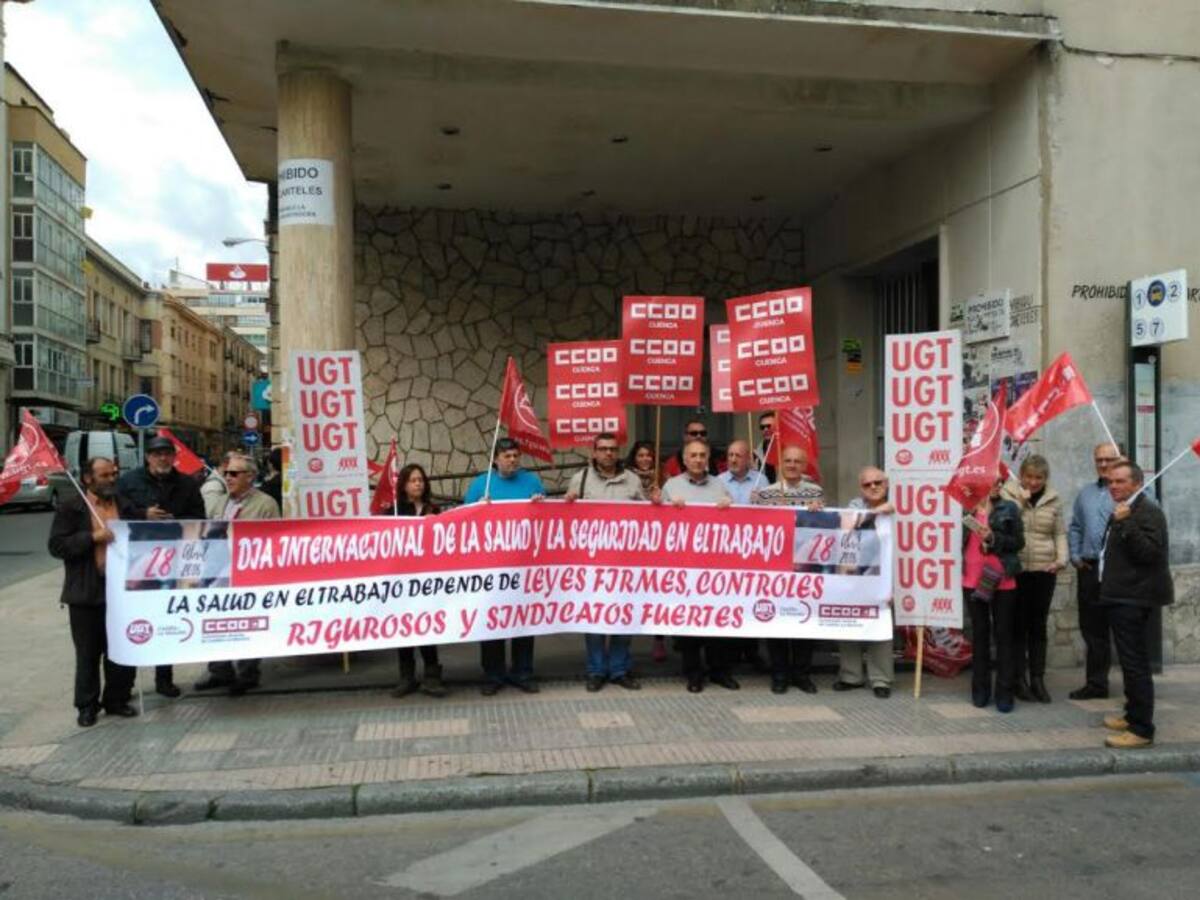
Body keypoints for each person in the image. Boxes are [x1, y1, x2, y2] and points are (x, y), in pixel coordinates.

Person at [47, 457, 137, 727]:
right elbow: (57, 546)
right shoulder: (72, 507)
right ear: (88, 478)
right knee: (88, 653)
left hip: (121, 591)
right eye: (105, 475)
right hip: (86, 592)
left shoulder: (125, 504)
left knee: (120, 649)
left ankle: (117, 699)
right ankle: (87, 705)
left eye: (114, 474)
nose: (111, 479)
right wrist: (92, 537)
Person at [117, 434, 206, 698]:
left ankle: (164, 679)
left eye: (167, 454)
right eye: (157, 454)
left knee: (167, 620)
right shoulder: (129, 481)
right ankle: (124, 685)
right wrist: (143, 515)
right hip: (137, 559)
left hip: (173, 560)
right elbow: (117, 512)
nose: (163, 458)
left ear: (174, 457)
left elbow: (199, 516)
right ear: (148, 457)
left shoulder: (187, 484)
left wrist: (175, 520)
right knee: (133, 621)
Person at [565, 433, 648, 691]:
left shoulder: (632, 480)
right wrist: (567, 504)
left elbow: (647, 518)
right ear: (594, 452)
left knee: (624, 616)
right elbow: (567, 520)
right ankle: (596, 670)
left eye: (612, 449)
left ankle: (620, 669)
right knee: (594, 617)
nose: (608, 453)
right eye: (603, 449)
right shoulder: (580, 479)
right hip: (592, 564)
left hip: (625, 563)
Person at [193, 454, 280, 696]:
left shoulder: (266, 504)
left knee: (247, 624)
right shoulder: (219, 502)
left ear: (250, 476)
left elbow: (274, 538)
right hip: (218, 572)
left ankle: (247, 673)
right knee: (216, 623)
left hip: (249, 574)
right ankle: (219, 670)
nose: (228, 478)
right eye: (227, 473)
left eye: (234, 474)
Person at [1099, 461, 1172, 749]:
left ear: (1137, 483)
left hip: (1134, 598)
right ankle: (1132, 714)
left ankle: (1142, 729)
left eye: (1120, 481)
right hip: (1120, 595)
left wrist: (1126, 522)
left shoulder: (1147, 511)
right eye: (1111, 481)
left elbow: (1151, 553)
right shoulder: (1126, 508)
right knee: (1129, 662)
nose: (1113, 486)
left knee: (1135, 664)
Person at [464, 437, 545, 694]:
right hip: (491, 567)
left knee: (523, 619)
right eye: (507, 456)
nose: (512, 460)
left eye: (515, 456)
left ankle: (523, 672)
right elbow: (463, 520)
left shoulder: (532, 482)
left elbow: (546, 520)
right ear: (496, 459)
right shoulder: (481, 484)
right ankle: (493, 675)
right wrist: (478, 508)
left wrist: (539, 505)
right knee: (492, 621)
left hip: (523, 565)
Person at [661, 438, 737, 693]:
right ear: (684, 460)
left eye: (702, 455)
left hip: (715, 568)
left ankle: (719, 671)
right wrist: (668, 509)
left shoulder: (720, 485)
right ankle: (693, 673)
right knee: (689, 624)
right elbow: (657, 524)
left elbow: (736, 523)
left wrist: (729, 506)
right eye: (692, 455)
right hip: (683, 567)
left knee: (716, 622)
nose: (697, 459)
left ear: (708, 459)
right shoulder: (671, 486)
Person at [753, 445, 823, 694]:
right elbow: (756, 527)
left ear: (804, 466)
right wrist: (754, 506)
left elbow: (823, 527)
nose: (792, 465)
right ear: (780, 464)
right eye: (788, 461)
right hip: (775, 567)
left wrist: (818, 510)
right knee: (777, 620)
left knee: (804, 618)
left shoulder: (815, 492)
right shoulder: (765, 493)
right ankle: (780, 674)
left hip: (804, 567)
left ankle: (802, 674)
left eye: (797, 461)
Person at [1002, 454, 1067, 703]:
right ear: (1021, 475)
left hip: (1044, 569)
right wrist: (1020, 502)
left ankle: (1038, 678)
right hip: (1017, 570)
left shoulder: (1054, 499)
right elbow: (1005, 525)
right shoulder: (1009, 494)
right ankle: (1019, 679)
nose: (1033, 482)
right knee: (1017, 626)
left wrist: (1061, 559)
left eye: (1039, 477)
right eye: (1029, 476)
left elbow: (1059, 533)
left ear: (1045, 478)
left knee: (1038, 626)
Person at [833, 466, 896, 698]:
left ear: (886, 484)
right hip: (855, 576)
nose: (873, 487)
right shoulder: (854, 506)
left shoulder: (898, 507)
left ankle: (880, 679)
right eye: (867, 484)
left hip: (884, 578)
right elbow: (847, 527)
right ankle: (851, 676)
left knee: (880, 627)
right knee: (849, 625)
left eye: (878, 482)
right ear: (861, 488)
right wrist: (877, 511)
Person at [963, 476, 1024, 712]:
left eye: (1000, 481)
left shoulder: (1009, 508)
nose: (998, 485)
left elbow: (1018, 542)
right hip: (972, 579)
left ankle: (1005, 693)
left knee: (1004, 635)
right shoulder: (965, 508)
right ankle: (980, 690)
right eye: (993, 480)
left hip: (1002, 579)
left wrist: (993, 537)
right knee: (979, 635)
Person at [1067, 442, 1120, 700]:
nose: (1103, 464)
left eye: (1109, 459)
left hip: (1118, 570)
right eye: (1099, 459)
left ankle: (1135, 689)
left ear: (1120, 459)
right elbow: (1075, 526)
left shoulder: (1131, 492)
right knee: (1091, 628)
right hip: (1089, 568)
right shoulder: (1086, 494)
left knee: (1123, 628)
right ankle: (1096, 684)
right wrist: (1075, 556)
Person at [390, 463, 447, 698]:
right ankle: (407, 677)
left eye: (421, 480)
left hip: (427, 579)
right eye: (413, 480)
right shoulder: (393, 512)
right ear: (404, 485)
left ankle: (432, 675)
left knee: (427, 626)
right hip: (402, 579)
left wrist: (436, 523)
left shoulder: (434, 509)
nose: (418, 484)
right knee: (404, 627)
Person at [626, 439, 669, 662]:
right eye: (641, 455)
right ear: (634, 458)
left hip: (657, 544)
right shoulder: (626, 479)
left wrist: (662, 501)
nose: (645, 459)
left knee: (657, 592)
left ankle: (658, 639)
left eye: (649, 455)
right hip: (631, 543)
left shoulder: (664, 479)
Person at [201, 449, 240, 518]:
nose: (238, 470)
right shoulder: (213, 486)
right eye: (237, 466)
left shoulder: (223, 482)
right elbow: (210, 515)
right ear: (225, 464)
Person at [754, 412, 777, 483]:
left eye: (769, 426)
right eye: (762, 427)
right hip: (764, 488)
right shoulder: (756, 453)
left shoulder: (788, 451)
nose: (765, 429)